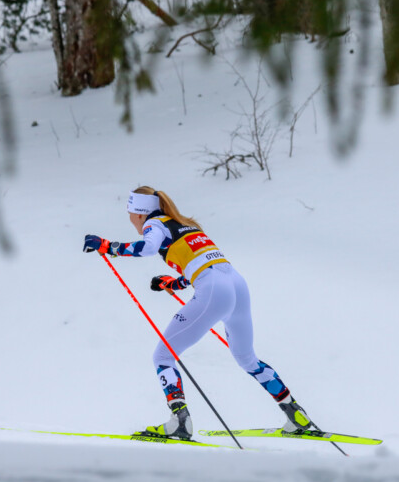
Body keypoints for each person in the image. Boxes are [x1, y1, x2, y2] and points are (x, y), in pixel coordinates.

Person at [83, 186, 312, 440]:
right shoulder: (185, 224)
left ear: (139, 213)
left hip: (215, 289)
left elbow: (148, 249)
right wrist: (172, 284)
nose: (130, 220)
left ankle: (179, 422)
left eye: (129, 213)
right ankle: (295, 414)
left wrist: (108, 246)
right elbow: (199, 266)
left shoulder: (155, 224)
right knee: (248, 359)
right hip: (236, 284)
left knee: (163, 356)